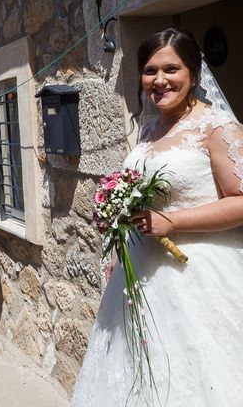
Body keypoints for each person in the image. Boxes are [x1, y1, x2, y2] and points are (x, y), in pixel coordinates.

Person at [70, 28, 243, 406]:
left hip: (198, 274)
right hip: (138, 274)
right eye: (150, 71)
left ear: (193, 74)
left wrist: (172, 222)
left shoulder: (216, 128)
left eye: (171, 69)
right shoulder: (148, 130)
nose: (159, 80)